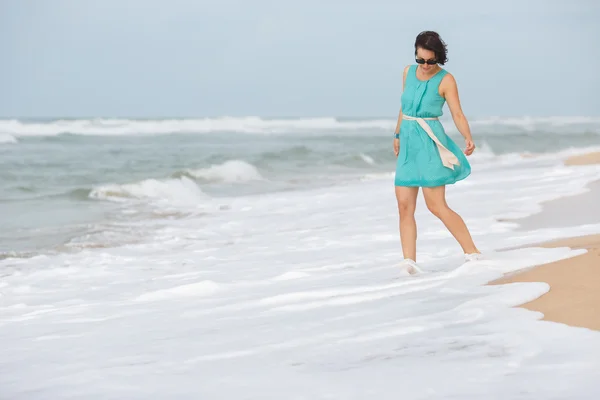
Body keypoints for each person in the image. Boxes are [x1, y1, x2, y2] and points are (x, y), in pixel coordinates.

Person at [393, 31, 481, 273]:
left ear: (439, 58)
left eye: (430, 61)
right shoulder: (407, 72)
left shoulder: (446, 80)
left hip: (430, 142)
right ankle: (409, 262)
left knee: (436, 205)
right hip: (408, 142)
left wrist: (468, 137)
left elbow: (457, 113)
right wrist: (397, 133)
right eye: (420, 60)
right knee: (403, 205)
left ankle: (472, 252)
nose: (424, 66)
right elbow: (404, 106)